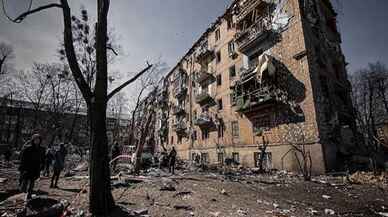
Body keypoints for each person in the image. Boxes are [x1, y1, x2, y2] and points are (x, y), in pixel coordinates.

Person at [19, 134, 45, 200]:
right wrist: (22, 168)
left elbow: (42, 159)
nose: (37, 141)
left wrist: (42, 166)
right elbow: (23, 159)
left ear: (40, 141)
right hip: (27, 168)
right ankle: (21, 197)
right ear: (33, 140)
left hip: (36, 169)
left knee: (32, 184)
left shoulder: (41, 149)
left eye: (38, 139)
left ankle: (29, 196)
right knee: (24, 183)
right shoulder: (28, 148)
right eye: (35, 139)